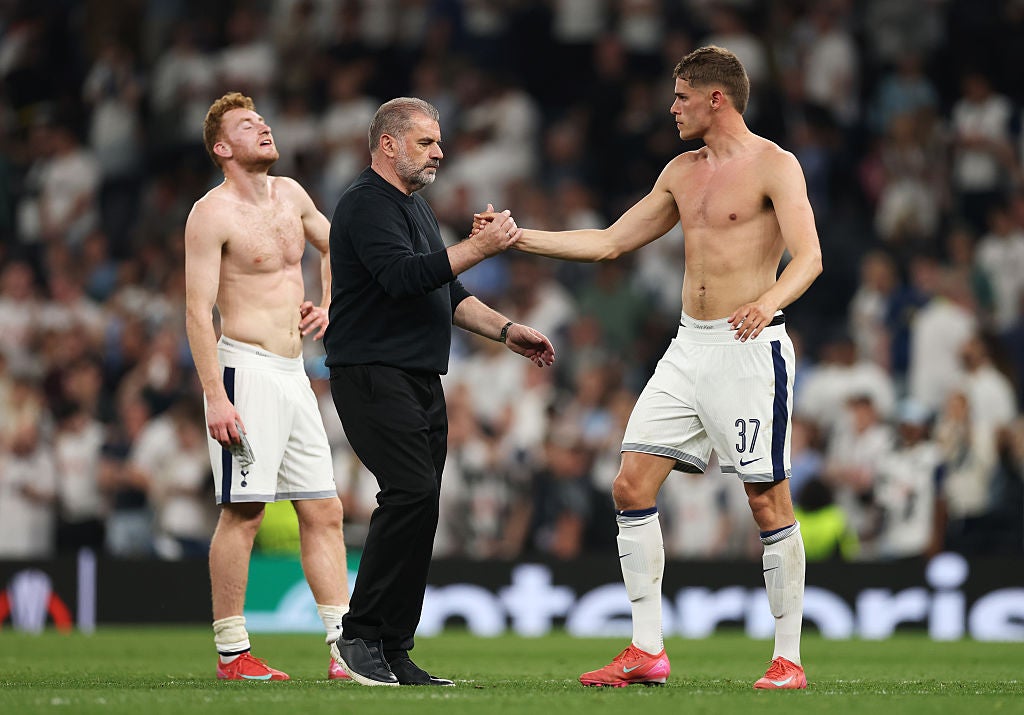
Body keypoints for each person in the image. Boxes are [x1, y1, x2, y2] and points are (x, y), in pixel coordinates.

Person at [476, 46, 822, 689]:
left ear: (716, 99)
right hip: (688, 346)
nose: (672, 108)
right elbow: (609, 241)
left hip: (750, 347)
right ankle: (646, 649)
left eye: (682, 97)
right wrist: (516, 237)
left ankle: (788, 658)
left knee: (766, 499)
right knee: (630, 487)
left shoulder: (775, 164)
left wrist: (767, 299)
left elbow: (809, 258)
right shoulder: (682, 172)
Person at [323, 97, 555, 687]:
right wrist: (480, 248)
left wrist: (506, 330)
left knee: (423, 504)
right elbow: (403, 279)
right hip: (372, 373)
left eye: (438, 141)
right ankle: (358, 637)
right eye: (426, 142)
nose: (439, 152)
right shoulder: (364, 205)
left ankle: (394, 646)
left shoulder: (417, 209)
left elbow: (442, 295)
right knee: (409, 491)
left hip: (421, 378)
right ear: (388, 144)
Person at [184, 91, 351, 682]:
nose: (264, 127)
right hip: (244, 369)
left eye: (264, 119)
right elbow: (197, 311)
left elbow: (338, 246)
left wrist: (328, 302)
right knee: (245, 512)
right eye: (247, 124)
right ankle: (233, 651)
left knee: (325, 509)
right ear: (221, 148)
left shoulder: (292, 195)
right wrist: (215, 395)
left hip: (294, 372)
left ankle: (344, 648)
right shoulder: (212, 214)